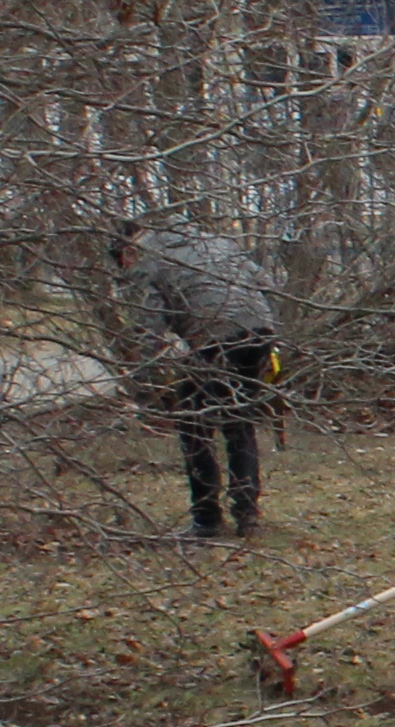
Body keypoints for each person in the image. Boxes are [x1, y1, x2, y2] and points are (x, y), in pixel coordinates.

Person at [116, 219, 282, 541]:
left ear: (126, 248)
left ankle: (207, 520)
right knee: (238, 422)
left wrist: (142, 387)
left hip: (213, 337)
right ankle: (247, 515)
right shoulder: (217, 241)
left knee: (194, 427)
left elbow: (147, 328)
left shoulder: (147, 257)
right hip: (259, 331)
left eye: (121, 261)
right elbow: (265, 282)